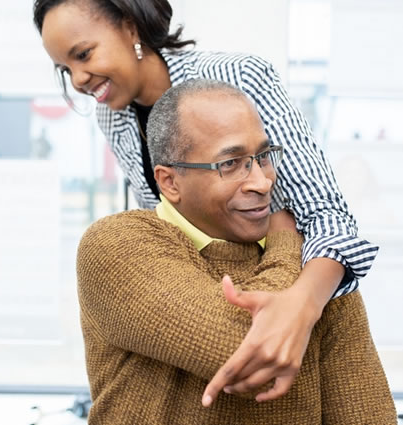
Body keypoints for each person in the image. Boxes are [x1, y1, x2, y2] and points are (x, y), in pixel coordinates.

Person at [34, 0, 379, 398]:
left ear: (131, 29)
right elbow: (167, 223)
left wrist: (300, 306)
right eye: (65, 68)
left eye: (82, 54)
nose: (77, 78)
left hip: (307, 288)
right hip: (216, 299)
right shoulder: (113, 116)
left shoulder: (237, 76)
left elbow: (325, 214)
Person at [76, 79, 396, 424]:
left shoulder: (319, 272)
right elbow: (251, 353)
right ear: (170, 182)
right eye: (230, 164)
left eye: (263, 157)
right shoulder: (115, 245)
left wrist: (306, 273)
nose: (262, 182)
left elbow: (367, 415)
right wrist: (286, 245)